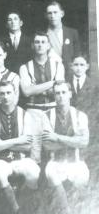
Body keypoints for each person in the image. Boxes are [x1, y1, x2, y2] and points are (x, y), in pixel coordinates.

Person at [0, 81, 40, 214]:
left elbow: (28, 145)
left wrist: (1, 143)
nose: (5, 96)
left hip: (21, 159)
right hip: (0, 159)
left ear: (15, 94)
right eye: (2, 93)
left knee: (34, 172)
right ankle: (18, 213)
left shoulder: (25, 114)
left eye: (8, 93)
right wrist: (18, 140)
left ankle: (20, 206)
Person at [42, 81, 89, 214]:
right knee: (51, 172)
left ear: (70, 94)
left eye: (63, 92)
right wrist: (72, 140)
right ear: (54, 96)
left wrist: (57, 137)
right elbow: (47, 145)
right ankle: (66, 212)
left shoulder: (80, 115)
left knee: (82, 176)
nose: (61, 96)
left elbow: (83, 142)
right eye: (57, 93)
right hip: (55, 161)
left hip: (76, 161)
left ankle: (81, 212)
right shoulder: (46, 116)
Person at [19, 31, 65, 163]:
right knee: (35, 150)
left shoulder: (57, 65)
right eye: (37, 42)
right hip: (33, 111)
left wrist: (36, 87)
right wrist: (52, 82)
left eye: (43, 42)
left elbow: (58, 89)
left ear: (48, 45)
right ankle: (35, 183)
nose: (40, 45)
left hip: (53, 109)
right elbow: (27, 92)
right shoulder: (25, 67)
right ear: (32, 45)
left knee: (54, 148)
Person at [45, 1, 81, 69]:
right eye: (49, 13)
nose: (52, 16)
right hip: (50, 72)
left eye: (55, 12)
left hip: (68, 72)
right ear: (46, 16)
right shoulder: (43, 34)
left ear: (62, 14)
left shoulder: (72, 33)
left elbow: (77, 56)